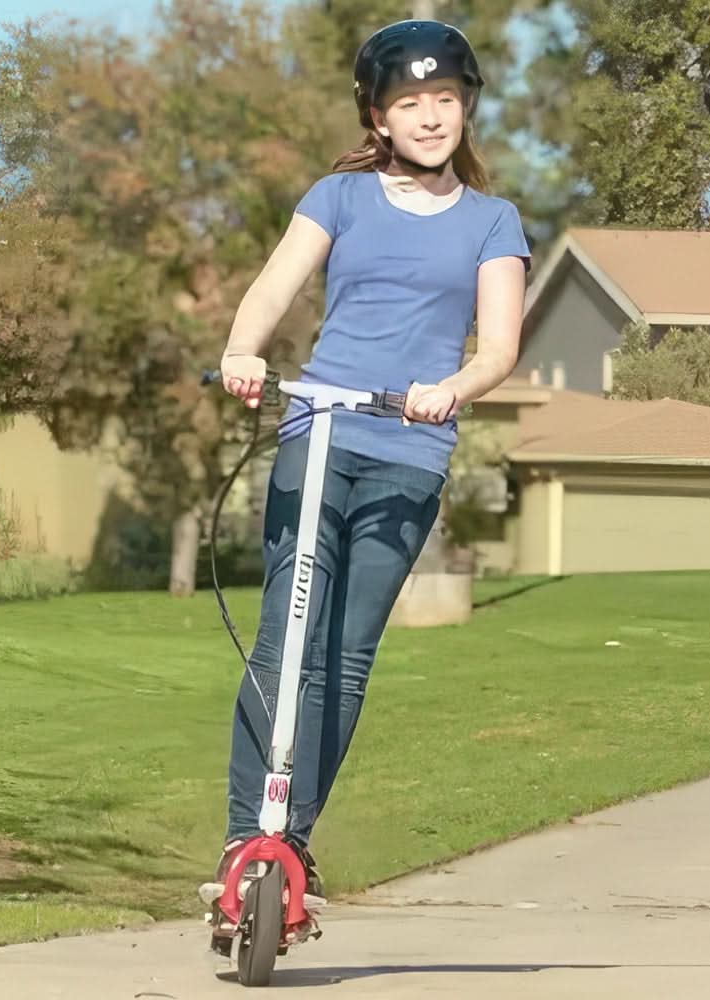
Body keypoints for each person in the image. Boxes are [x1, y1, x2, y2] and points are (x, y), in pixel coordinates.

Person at [211, 17, 531, 944]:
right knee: (286, 640)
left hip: (409, 447)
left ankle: (293, 847)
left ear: (464, 107)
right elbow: (275, 287)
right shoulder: (339, 198)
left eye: (444, 99)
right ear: (379, 117)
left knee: (346, 658)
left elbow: (500, 347)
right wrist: (243, 350)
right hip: (319, 426)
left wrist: (450, 389)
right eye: (409, 103)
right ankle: (243, 845)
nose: (430, 117)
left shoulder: (493, 222)